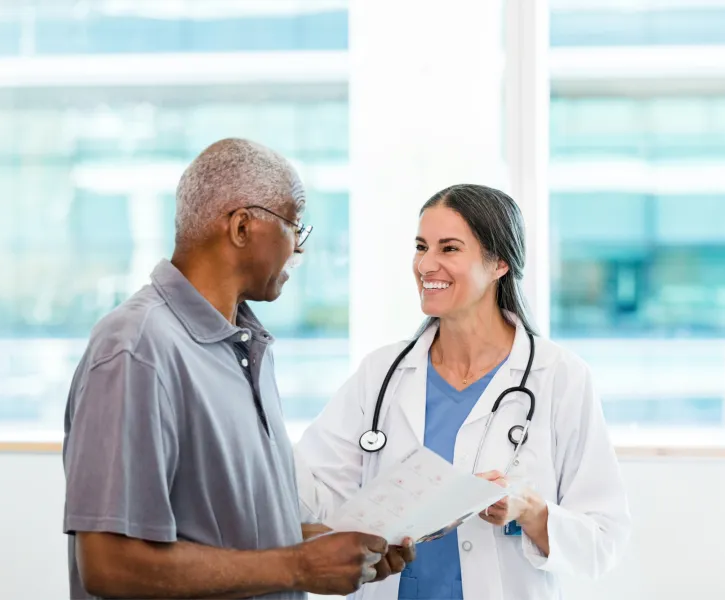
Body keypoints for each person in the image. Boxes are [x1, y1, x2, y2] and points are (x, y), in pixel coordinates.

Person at [62, 138, 414, 600]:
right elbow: (111, 565)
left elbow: (230, 536)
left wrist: (329, 549)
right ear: (243, 227)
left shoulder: (244, 347)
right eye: (295, 225)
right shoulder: (137, 348)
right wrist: (297, 565)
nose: (300, 249)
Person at [294, 184, 631, 600]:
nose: (425, 264)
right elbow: (310, 492)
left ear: (499, 264)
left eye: (449, 249)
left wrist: (528, 511)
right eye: (421, 246)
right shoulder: (382, 373)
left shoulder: (559, 377)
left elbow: (603, 539)